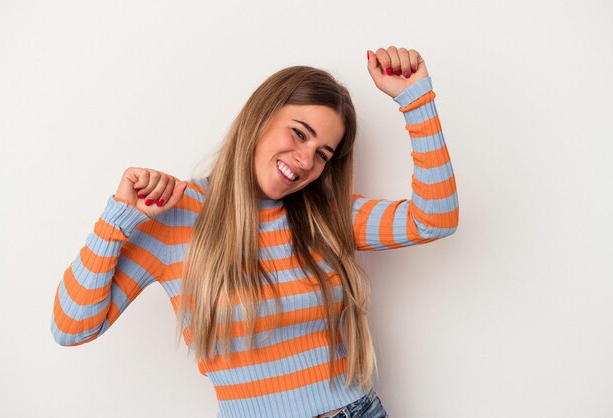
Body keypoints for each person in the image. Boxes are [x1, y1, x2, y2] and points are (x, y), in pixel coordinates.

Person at [51, 46, 459, 418]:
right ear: (260, 117)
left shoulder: (325, 216)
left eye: (322, 154)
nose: (304, 160)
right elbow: (71, 327)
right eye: (299, 133)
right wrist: (117, 219)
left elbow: (434, 217)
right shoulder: (175, 216)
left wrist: (416, 100)